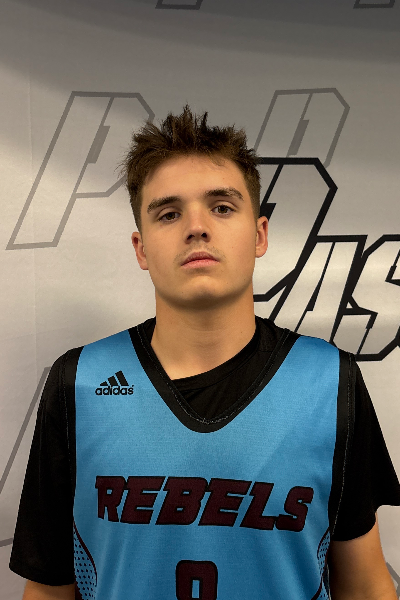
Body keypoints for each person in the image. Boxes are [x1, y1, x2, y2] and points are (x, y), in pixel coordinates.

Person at [10, 104, 400, 600]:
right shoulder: (80, 382)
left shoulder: (329, 381)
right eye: (169, 213)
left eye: (222, 207)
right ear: (141, 248)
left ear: (259, 234)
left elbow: (364, 586)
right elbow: (48, 589)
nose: (196, 227)